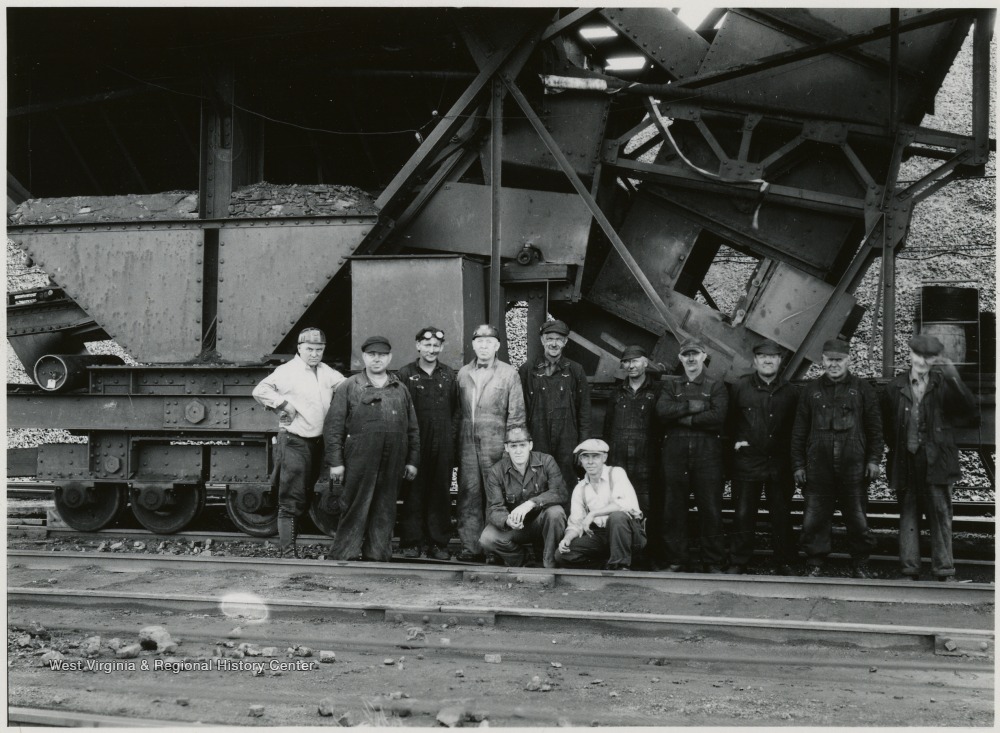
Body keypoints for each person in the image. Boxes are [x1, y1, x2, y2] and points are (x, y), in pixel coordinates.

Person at [881, 334, 977, 582]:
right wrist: (902, 448)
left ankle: (944, 571)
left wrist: (953, 375)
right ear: (910, 354)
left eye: (929, 357)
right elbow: (888, 426)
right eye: (918, 355)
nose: (922, 361)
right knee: (908, 515)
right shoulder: (894, 387)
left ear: (936, 359)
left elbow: (969, 411)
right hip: (906, 460)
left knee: (940, 514)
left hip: (937, 461)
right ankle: (909, 570)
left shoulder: (945, 384)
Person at [791, 339, 883, 578]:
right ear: (822, 360)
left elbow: (875, 429)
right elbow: (799, 431)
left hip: (854, 466)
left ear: (848, 360)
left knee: (857, 517)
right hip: (817, 465)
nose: (834, 364)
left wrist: (874, 460)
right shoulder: (810, 390)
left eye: (839, 360)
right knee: (814, 516)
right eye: (829, 360)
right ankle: (815, 562)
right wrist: (798, 465)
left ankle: (860, 563)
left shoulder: (863, 389)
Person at [324, 336, 419, 562]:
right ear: (364, 357)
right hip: (359, 458)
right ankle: (343, 557)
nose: (377, 359)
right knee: (354, 507)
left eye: (382, 355)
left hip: (394, 458)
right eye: (372, 355)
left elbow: (412, 428)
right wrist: (336, 463)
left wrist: (412, 461)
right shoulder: (350, 386)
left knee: (386, 508)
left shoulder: (400, 388)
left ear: (390, 358)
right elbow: (333, 427)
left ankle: (377, 557)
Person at [252, 327, 345, 558]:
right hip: (294, 441)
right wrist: (284, 405)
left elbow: (346, 385)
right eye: (310, 349)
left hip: (317, 443)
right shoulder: (287, 371)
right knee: (291, 499)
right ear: (300, 348)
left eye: (319, 349)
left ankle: (292, 550)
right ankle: (287, 553)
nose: (314, 354)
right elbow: (260, 390)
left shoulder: (325, 371)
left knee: (305, 495)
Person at [725, 339, 800, 575]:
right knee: (743, 514)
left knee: (781, 514)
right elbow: (728, 424)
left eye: (773, 357)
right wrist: (735, 446)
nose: (768, 361)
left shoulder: (791, 392)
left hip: (779, 464)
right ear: (755, 361)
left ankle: (784, 561)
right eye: (763, 357)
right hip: (747, 462)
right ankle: (738, 561)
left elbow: (797, 429)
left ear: (780, 361)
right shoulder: (740, 387)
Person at [655, 337, 729, 572]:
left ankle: (713, 561)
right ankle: (676, 560)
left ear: (704, 356)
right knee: (673, 508)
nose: (690, 359)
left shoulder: (716, 386)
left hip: (707, 454)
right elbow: (662, 411)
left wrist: (682, 419)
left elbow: (718, 417)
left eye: (695, 354)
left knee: (711, 508)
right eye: (686, 355)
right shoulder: (671, 386)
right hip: (675, 454)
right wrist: (691, 407)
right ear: (680, 358)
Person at [455, 324, 526, 562]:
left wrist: (512, 448)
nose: (484, 346)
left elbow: (517, 415)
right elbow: (457, 412)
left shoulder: (509, 373)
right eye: (479, 342)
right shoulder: (463, 373)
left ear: (497, 346)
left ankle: (493, 549)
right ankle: (470, 547)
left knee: (496, 495)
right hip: (467, 444)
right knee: (469, 493)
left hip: (496, 443)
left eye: (489, 342)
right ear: (473, 345)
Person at [396, 327, 460, 560]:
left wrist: (450, 439)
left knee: (440, 492)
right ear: (418, 345)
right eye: (427, 345)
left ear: (441, 347)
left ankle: (438, 544)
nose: (432, 350)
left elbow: (456, 411)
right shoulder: (405, 374)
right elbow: (401, 412)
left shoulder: (449, 374)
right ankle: (411, 542)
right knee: (413, 491)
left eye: (436, 346)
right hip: (416, 442)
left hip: (443, 443)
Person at [602, 344, 661, 564]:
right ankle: (623, 555)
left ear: (645, 362)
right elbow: (608, 428)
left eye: (635, 361)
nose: (630, 365)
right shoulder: (617, 393)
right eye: (626, 362)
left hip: (646, 463)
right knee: (620, 506)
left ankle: (647, 557)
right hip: (620, 463)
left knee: (647, 509)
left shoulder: (657, 391)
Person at [480, 426, 568, 568]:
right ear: (506, 448)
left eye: (522, 445)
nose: (518, 451)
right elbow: (494, 508)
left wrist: (530, 503)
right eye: (513, 446)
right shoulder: (497, 471)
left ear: (530, 445)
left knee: (556, 512)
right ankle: (523, 560)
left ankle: (550, 564)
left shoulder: (546, 461)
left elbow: (560, 492)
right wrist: (507, 521)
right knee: (487, 538)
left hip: (542, 522)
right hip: (517, 527)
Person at [519, 319, 592, 490]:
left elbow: (584, 411)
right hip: (537, 437)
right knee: (537, 483)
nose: (554, 343)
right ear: (542, 340)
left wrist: (583, 444)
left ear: (565, 342)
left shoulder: (575, 370)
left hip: (567, 440)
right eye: (550, 338)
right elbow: (520, 409)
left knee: (566, 483)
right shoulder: (528, 370)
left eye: (559, 339)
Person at [555, 439, 646, 570]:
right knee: (561, 555)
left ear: (604, 458)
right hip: (600, 534)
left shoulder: (616, 473)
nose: (590, 462)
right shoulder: (580, 488)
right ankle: (609, 566)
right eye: (585, 457)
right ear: (580, 460)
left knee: (617, 517)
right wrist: (567, 539)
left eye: (595, 456)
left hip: (628, 533)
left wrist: (593, 513)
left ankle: (621, 567)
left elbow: (623, 504)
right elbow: (575, 523)